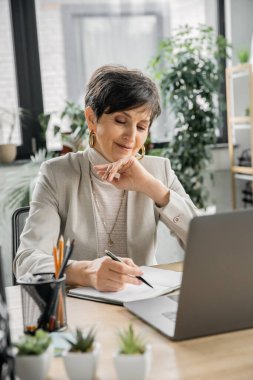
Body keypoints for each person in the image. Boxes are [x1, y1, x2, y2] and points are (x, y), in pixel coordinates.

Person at [14, 64, 199, 292]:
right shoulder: (57, 174)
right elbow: (26, 261)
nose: (131, 137)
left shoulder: (158, 170)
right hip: (83, 309)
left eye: (142, 126)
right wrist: (85, 272)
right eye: (121, 121)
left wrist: (153, 188)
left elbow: (205, 246)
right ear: (92, 119)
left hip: (145, 300)